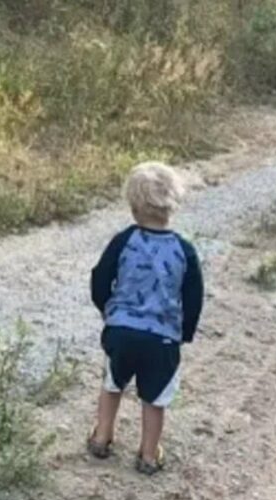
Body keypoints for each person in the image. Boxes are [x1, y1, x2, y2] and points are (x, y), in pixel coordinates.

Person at [87, 162, 204, 475]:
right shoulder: (184, 250)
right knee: (155, 398)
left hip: (122, 331)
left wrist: (107, 309)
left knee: (112, 383)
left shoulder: (124, 240)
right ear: (172, 205)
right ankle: (149, 455)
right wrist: (184, 332)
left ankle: (102, 437)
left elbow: (100, 277)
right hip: (162, 338)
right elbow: (194, 296)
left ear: (134, 205)